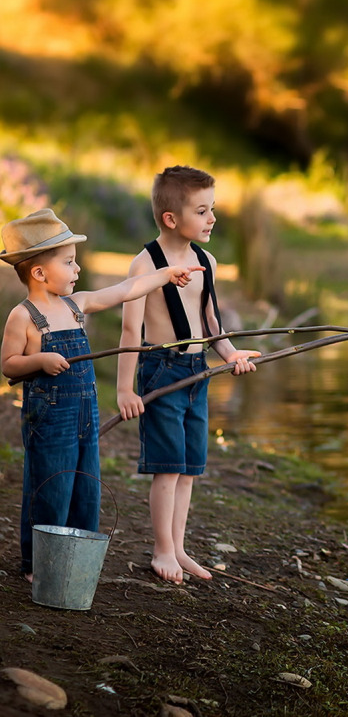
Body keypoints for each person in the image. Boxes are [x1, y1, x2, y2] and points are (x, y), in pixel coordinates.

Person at [0, 207, 204, 582]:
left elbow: (123, 291)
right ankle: (38, 563)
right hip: (50, 417)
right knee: (51, 484)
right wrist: (40, 359)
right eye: (69, 262)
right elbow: (9, 364)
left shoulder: (75, 306)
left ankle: (75, 552)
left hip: (85, 414)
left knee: (85, 484)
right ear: (40, 273)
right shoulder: (24, 316)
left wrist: (164, 275)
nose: (78, 270)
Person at [117, 165, 260, 584]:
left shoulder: (207, 260)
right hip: (162, 372)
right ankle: (162, 549)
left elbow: (210, 319)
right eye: (202, 210)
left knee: (189, 467)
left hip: (198, 372)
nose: (212, 218)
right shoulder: (144, 265)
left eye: (212, 208)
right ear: (171, 218)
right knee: (167, 465)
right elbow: (130, 330)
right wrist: (125, 388)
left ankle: (178, 547)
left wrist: (231, 354)